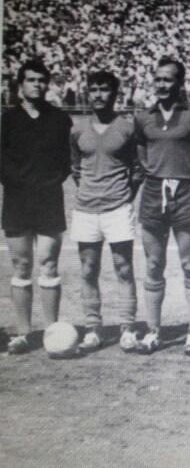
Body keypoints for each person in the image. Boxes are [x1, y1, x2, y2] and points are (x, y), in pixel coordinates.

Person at [133, 57, 190, 355]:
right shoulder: (143, 117)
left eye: (168, 79)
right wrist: (155, 176)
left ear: (179, 83)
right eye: (158, 79)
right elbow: (141, 153)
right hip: (154, 194)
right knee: (154, 264)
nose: (162, 84)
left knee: (189, 262)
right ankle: (153, 331)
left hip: (184, 193)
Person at [1, 59, 72, 355]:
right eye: (31, 80)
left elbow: (66, 162)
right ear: (21, 85)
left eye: (42, 80)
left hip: (49, 199)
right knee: (21, 265)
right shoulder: (7, 119)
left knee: (49, 264)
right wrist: (21, 183)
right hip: (17, 200)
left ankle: (52, 332)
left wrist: (46, 183)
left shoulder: (58, 119)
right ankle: (23, 332)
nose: (37, 85)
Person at [69, 70, 143, 353]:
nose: (99, 94)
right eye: (94, 89)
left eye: (104, 89)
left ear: (115, 94)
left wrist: (124, 197)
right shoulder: (77, 129)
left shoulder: (126, 127)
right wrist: (90, 191)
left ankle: (127, 327)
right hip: (86, 208)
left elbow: (137, 169)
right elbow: (76, 168)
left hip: (117, 207)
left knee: (124, 268)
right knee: (89, 270)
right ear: (88, 92)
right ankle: (93, 328)